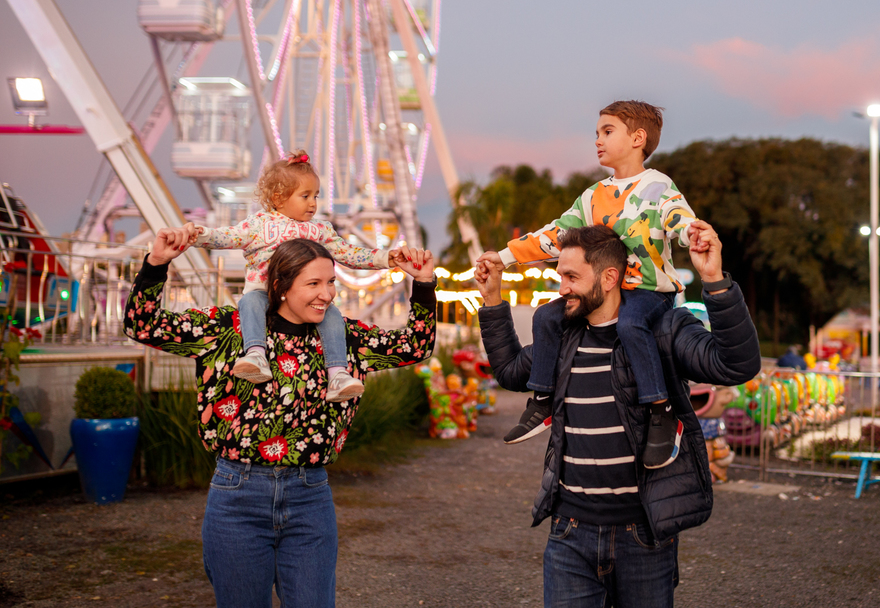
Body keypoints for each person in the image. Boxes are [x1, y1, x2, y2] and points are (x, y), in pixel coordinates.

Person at [124, 231, 437, 608]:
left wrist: (422, 283)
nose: (328, 293)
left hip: (310, 498)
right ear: (280, 286)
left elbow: (414, 346)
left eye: (332, 282)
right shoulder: (228, 330)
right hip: (237, 496)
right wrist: (156, 264)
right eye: (314, 283)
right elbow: (142, 325)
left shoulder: (344, 339)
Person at [476, 222, 759, 607]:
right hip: (568, 534)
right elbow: (509, 371)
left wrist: (714, 280)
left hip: (643, 534)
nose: (562, 289)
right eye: (561, 276)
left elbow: (736, 365)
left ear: (609, 277)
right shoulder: (560, 336)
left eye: (572, 277)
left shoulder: (664, 331)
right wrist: (492, 298)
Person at [477, 100, 700, 468]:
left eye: (607, 132)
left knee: (631, 327)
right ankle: (543, 401)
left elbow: (678, 216)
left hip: (647, 293)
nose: (597, 139)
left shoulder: (657, 186)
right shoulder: (592, 197)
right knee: (546, 317)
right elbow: (554, 235)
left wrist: (693, 235)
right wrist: (502, 257)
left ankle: (661, 410)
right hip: (602, 294)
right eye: (596, 133)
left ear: (638, 138)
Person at [184, 151, 409, 402]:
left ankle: (337, 373)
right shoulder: (259, 225)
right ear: (278, 198)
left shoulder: (320, 229)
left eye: (316, 196)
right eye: (305, 196)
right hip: (264, 290)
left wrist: (385, 259)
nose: (313, 203)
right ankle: (256, 353)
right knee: (249, 303)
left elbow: (348, 254)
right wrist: (200, 235)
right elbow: (228, 237)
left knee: (332, 314)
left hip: (302, 298)